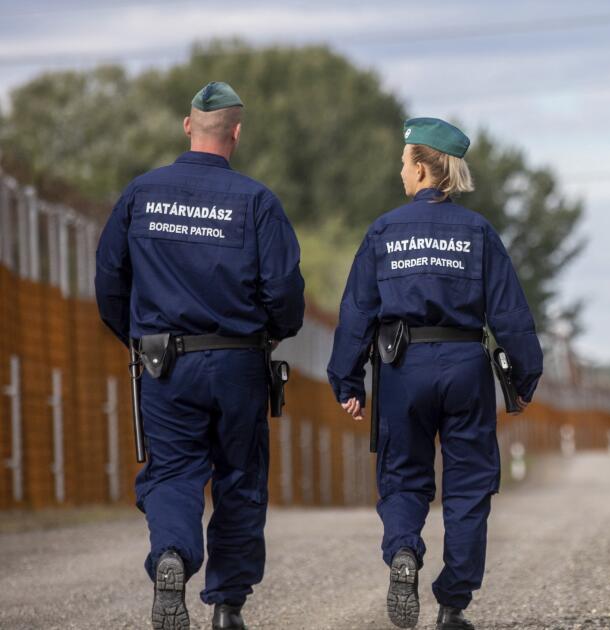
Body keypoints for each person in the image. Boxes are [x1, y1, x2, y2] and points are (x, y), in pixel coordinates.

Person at [95, 81, 305, 630]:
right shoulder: (258, 202)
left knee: (173, 473)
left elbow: (109, 283)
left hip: (165, 364)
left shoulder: (141, 194)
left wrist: (140, 341)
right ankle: (228, 605)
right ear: (236, 133)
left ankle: (172, 555)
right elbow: (284, 292)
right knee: (239, 477)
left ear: (188, 126)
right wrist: (271, 334)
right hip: (239, 363)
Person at [327, 117, 543, 630]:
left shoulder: (384, 230)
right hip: (466, 367)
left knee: (404, 477)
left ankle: (404, 551)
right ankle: (453, 602)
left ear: (423, 168)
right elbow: (510, 314)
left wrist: (347, 380)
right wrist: (526, 377)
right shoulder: (478, 232)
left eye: (404, 163)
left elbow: (357, 312)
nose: (400, 172)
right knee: (468, 486)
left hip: (402, 369)